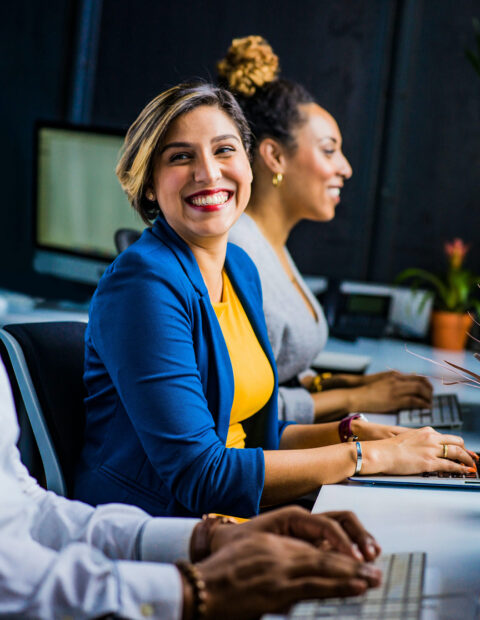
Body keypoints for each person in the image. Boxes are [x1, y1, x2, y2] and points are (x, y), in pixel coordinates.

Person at [74, 81, 475, 520]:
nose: (208, 172)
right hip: (158, 531)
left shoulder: (240, 268)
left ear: (248, 163)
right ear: (149, 185)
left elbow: (254, 437)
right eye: (181, 156)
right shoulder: (142, 284)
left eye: (224, 150)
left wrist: (357, 433)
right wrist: (369, 457)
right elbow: (200, 474)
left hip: (237, 516)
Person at [0, 358, 385, 618]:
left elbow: (26, 511)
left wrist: (207, 540)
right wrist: (194, 589)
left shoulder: (238, 270)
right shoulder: (143, 284)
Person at [223, 36, 434, 425]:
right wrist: (357, 397)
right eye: (328, 149)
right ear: (274, 155)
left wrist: (348, 383)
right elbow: (245, 410)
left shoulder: (271, 246)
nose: (345, 168)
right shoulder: (238, 253)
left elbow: (279, 374)